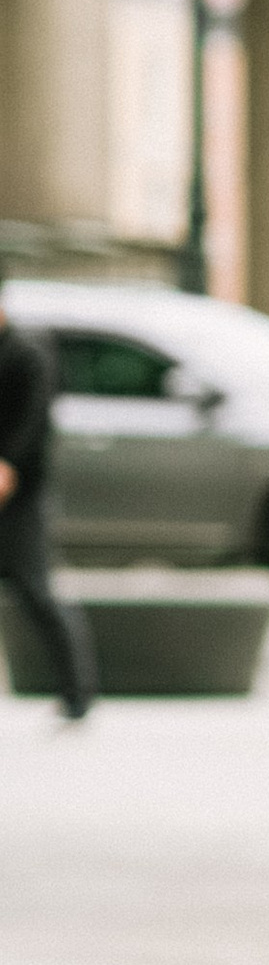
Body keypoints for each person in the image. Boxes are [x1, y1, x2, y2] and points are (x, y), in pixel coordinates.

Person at [0, 288, 93, 721]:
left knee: (37, 592)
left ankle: (77, 691)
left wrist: (9, 466)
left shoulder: (26, 354)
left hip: (20, 498)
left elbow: (32, 420)